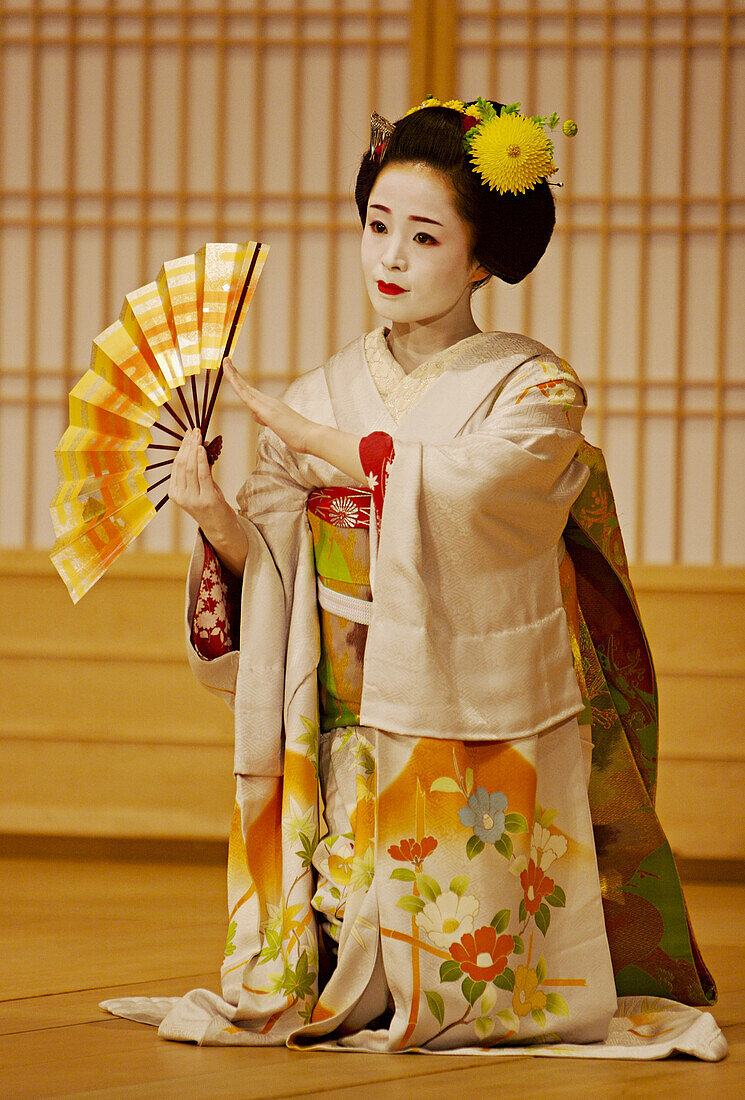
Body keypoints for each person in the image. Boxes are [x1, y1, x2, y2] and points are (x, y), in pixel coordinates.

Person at [101, 98, 725, 1060]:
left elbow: (489, 493)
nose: (388, 257)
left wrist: (320, 445)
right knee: (350, 898)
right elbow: (277, 558)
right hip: (341, 685)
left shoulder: (532, 388)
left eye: (423, 235)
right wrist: (218, 517)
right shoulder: (321, 383)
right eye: (375, 226)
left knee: (464, 907)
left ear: (481, 258)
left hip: (469, 687)